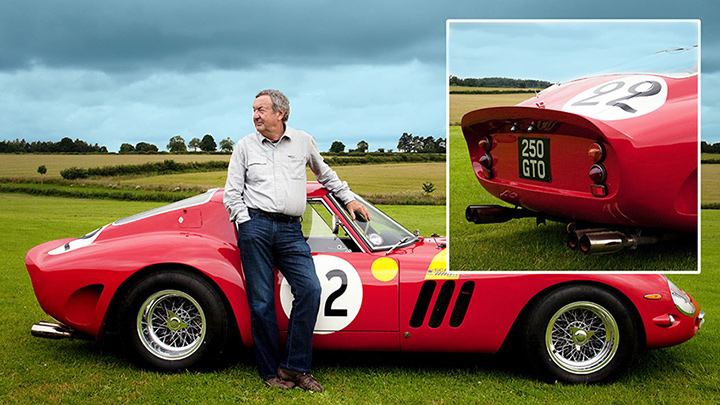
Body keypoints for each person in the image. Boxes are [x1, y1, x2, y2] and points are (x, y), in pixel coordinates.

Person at [223, 89, 370, 392]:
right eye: (253, 110)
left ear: (281, 113)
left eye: (261, 109)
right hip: (256, 227)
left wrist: (350, 199)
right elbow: (231, 192)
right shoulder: (244, 146)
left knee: (310, 289)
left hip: (291, 230)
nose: (255, 115)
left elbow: (326, 175)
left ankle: (294, 366)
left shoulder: (303, 141)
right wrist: (246, 223)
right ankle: (268, 371)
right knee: (261, 302)